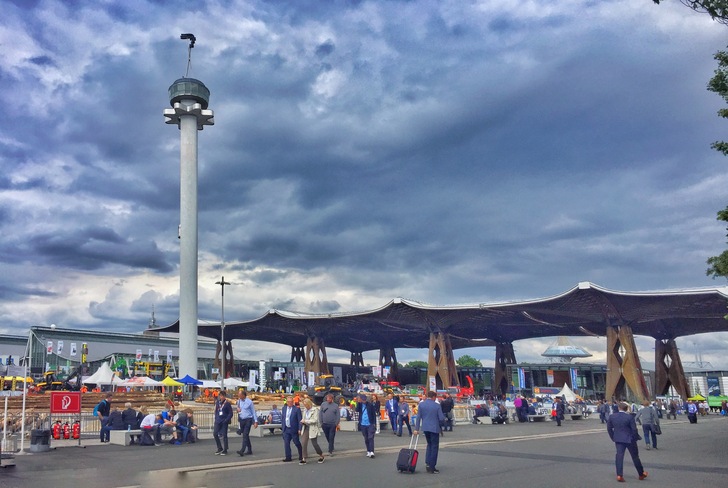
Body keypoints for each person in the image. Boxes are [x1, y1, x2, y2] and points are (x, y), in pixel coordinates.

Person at [607, 402, 648, 482]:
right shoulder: (629, 417)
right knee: (635, 456)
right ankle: (641, 474)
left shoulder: (612, 417)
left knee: (619, 456)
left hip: (618, 439)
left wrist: (613, 437)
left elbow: (609, 428)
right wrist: (635, 437)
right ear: (626, 409)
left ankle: (619, 475)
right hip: (630, 439)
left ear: (619, 408)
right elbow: (634, 429)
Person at [414, 390, 446, 474]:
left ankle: (427, 463)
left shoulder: (421, 404)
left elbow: (418, 417)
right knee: (434, 447)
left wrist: (416, 429)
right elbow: (441, 418)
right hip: (434, 428)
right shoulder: (437, 406)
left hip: (425, 428)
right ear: (434, 397)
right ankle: (432, 466)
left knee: (429, 445)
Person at [300, 398, 325, 464]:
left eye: (306, 405)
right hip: (305, 428)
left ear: (309, 404)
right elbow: (303, 418)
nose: (305, 406)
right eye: (304, 405)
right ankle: (304, 458)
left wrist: (306, 421)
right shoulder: (305, 410)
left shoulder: (315, 410)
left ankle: (321, 455)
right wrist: (303, 421)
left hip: (312, 428)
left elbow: (315, 420)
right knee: (304, 443)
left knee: (314, 444)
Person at [235, 390, 258, 457]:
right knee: (245, 435)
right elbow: (238, 410)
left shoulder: (249, 402)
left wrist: (255, 421)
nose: (239, 396)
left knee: (245, 434)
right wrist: (237, 410)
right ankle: (249, 449)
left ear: (243, 395)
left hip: (248, 419)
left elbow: (253, 412)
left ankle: (242, 450)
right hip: (242, 419)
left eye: (240, 395)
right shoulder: (239, 401)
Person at [281, 396, 303, 463]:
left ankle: (301, 454)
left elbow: (300, 420)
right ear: (286, 402)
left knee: (296, 442)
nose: (290, 403)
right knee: (286, 443)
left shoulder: (296, 409)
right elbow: (283, 418)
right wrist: (282, 427)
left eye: (291, 402)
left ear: (293, 402)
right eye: (288, 402)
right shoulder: (284, 408)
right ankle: (288, 457)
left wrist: (299, 429)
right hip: (286, 429)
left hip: (293, 429)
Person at [356, 393, 378, 458]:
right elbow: (357, 410)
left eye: (364, 400)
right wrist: (358, 403)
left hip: (370, 423)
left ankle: (372, 451)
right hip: (363, 423)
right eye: (362, 400)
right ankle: (368, 450)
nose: (363, 401)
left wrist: (374, 423)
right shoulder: (360, 405)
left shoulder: (370, 405)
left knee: (370, 437)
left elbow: (373, 414)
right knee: (366, 438)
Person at [213, 390, 233, 455]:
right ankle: (219, 447)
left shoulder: (227, 404)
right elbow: (216, 411)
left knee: (224, 435)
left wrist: (226, 420)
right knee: (215, 433)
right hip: (218, 420)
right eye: (220, 396)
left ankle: (225, 449)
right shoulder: (217, 403)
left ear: (224, 396)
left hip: (224, 421)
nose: (220, 397)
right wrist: (216, 418)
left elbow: (230, 413)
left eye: (222, 396)